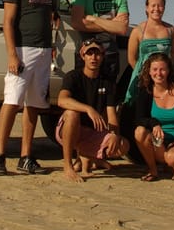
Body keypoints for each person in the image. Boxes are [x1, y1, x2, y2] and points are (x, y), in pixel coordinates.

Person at [0, 0, 56, 176]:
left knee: (35, 104)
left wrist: (51, 45)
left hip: (43, 50)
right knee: (12, 100)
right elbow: (7, 21)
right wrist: (11, 54)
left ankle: (26, 155)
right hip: (22, 49)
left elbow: (51, 17)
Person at [56, 38, 131, 183]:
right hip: (69, 129)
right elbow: (61, 100)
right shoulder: (73, 76)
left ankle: (88, 156)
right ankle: (68, 166)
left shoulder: (107, 82)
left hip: (91, 132)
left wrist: (115, 134)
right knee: (72, 114)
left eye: (97, 54)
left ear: (103, 56)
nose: (93, 58)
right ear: (83, 56)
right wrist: (88, 109)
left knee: (123, 145)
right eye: (89, 54)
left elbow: (111, 114)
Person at [131, 52, 174, 181]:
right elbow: (139, 118)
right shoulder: (145, 90)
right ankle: (153, 170)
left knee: (172, 158)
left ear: (169, 70)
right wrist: (154, 123)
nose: (159, 73)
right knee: (139, 131)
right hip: (159, 142)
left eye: (162, 69)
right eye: (155, 69)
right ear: (149, 71)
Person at [70, 0, 130, 84]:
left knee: (108, 96)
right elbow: (77, 22)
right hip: (86, 51)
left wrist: (93, 18)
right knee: (83, 94)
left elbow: (122, 28)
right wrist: (110, 25)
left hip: (109, 54)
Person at [123, 0, 174, 104]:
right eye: (153, 5)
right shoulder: (138, 31)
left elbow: (173, 54)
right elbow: (131, 59)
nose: (156, 9)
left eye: (160, 6)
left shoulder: (171, 30)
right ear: (147, 8)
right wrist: (144, 74)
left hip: (164, 77)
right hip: (142, 79)